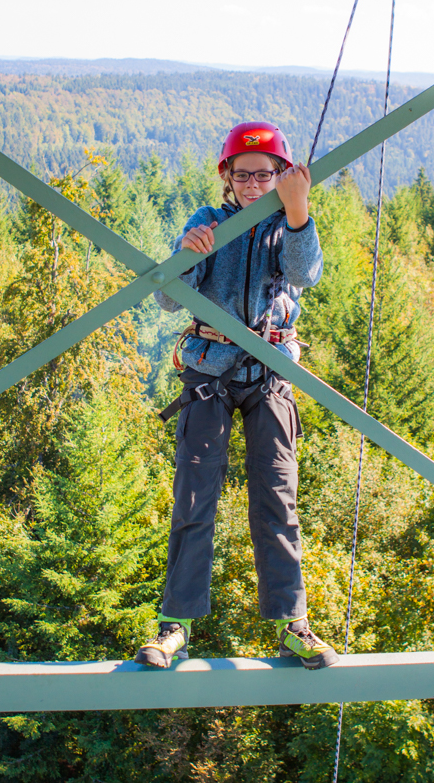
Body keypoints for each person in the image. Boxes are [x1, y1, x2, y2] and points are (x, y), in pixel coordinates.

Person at [135, 121, 339, 670]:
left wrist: (298, 211)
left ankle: (293, 624)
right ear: (227, 176)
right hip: (209, 373)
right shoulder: (208, 222)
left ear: (280, 176)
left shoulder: (286, 225)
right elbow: (168, 301)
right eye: (244, 174)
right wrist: (185, 253)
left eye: (265, 174)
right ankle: (174, 624)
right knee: (195, 495)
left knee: (277, 498)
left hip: (269, 373)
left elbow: (305, 273)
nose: (254, 184)